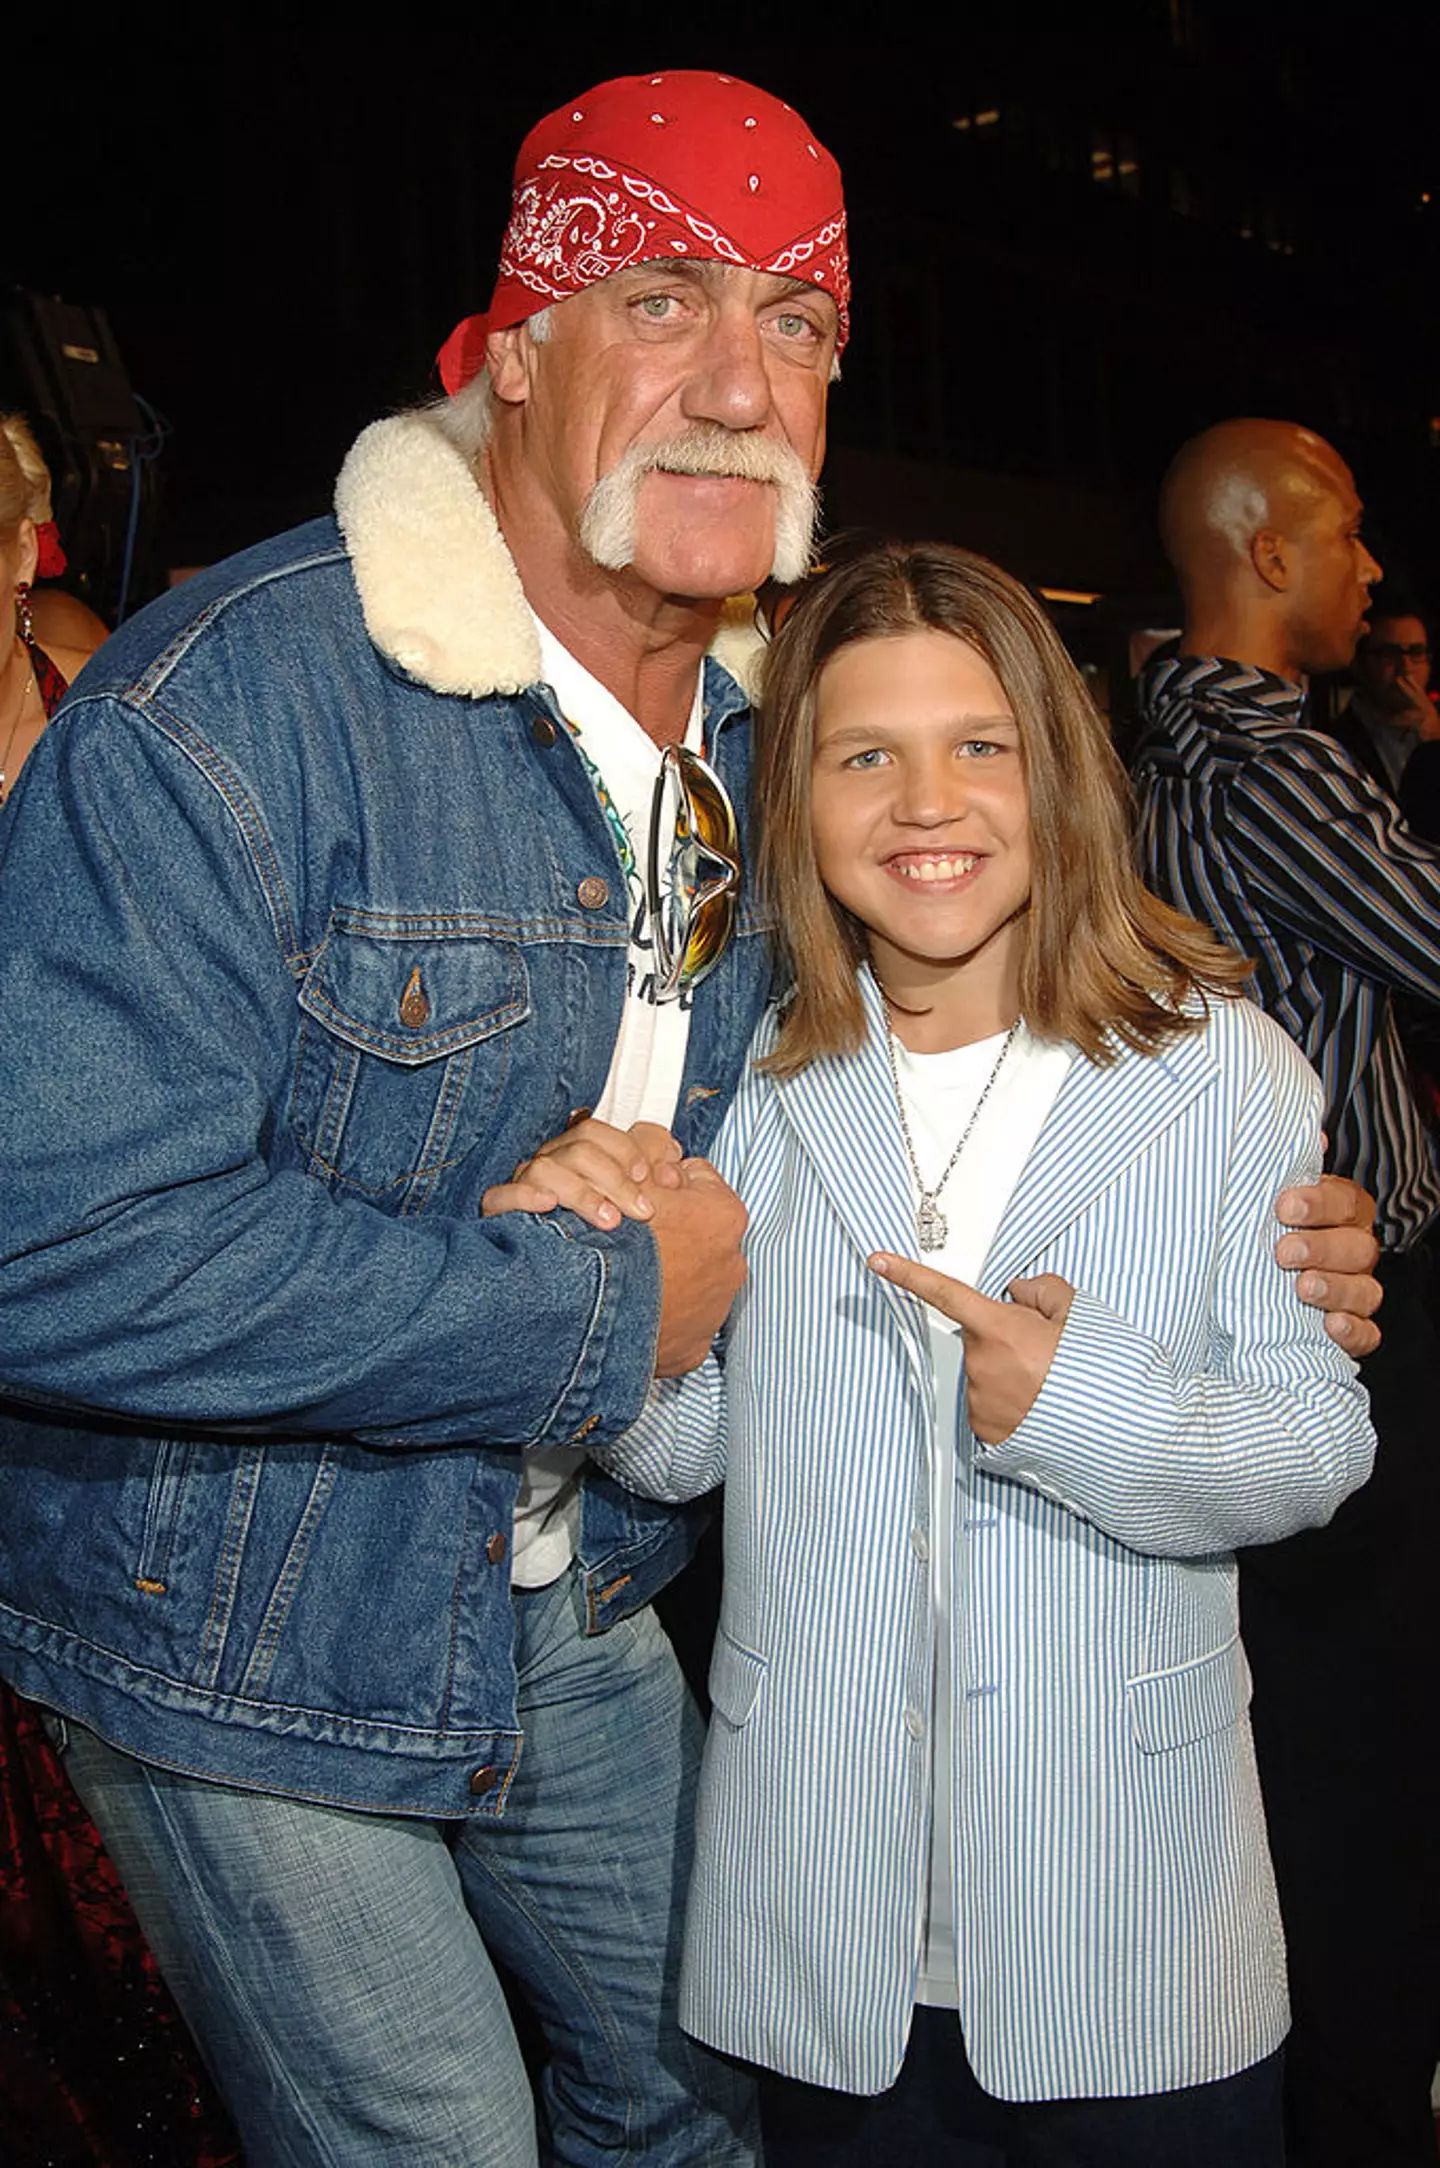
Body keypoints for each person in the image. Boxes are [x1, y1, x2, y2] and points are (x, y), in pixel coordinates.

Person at [0, 81, 1378, 2168]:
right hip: (249, 1612)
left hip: (578, 1578)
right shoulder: (236, 704)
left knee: (702, 2098)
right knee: (441, 2137)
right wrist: (587, 1306)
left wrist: (1242, 1222)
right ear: (516, 354)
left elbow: (890, 1099)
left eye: (800, 324)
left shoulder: (783, 735)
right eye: (661, 298)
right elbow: (45, 1246)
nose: (740, 378)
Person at [488, 541, 1376, 2168]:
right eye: (862, 754)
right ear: (798, 805)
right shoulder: (757, 1080)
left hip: (1133, 1921)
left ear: (1062, 768)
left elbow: (1314, 1446)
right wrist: (602, 1291)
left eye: (981, 745)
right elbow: (691, 1451)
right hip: (830, 1927)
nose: (928, 801)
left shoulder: (1217, 1068)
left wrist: (1075, 1401)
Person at [1130, 416, 1440, 2168]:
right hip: (1351, 1302)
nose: (1371, 568)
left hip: (1260, 1300)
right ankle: (1358, 2101)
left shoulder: (1165, 750)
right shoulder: (1272, 766)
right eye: (1346, 534)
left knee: (1315, 1728)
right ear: (1262, 549)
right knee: (1364, 1747)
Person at [1332, 595, 1438, 795]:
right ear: (1359, 663)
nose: (1405, 668)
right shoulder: (1336, 743)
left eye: (1416, 652)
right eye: (1389, 653)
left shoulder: (1434, 726)